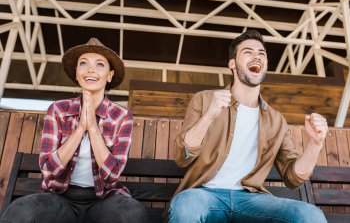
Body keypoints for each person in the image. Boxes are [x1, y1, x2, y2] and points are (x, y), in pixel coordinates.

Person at [168, 30, 328, 223]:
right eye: (248, 52)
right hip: (205, 195)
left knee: (310, 215)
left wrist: (316, 144)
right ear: (232, 64)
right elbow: (181, 156)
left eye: (261, 53)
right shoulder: (204, 100)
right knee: (186, 205)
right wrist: (209, 115)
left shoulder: (276, 121)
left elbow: (292, 178)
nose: (257, 56)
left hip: (252, 201)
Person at [0, 38, 148, 223]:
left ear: (109, 75)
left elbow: (112, 174)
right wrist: (79, 129)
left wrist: (93, 128)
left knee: (133, 214)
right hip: (60, 198)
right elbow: (48, 170)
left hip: (103, 199)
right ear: (77, 74)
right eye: (83, 64)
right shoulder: (58, 110)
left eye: (99, 64)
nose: (90, 70)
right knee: (20, 211)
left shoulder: (122, 116)